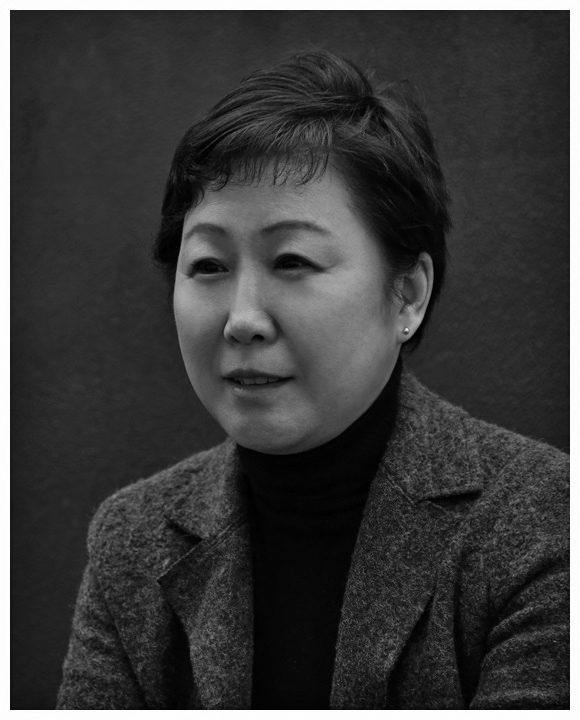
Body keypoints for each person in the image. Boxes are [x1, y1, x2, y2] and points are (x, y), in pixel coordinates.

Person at [56, 51, 569, 710]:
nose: (242, 319)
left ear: (407, 294)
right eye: (209, 265)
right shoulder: (133, 537)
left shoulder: (543, 521)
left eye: (293, 260)